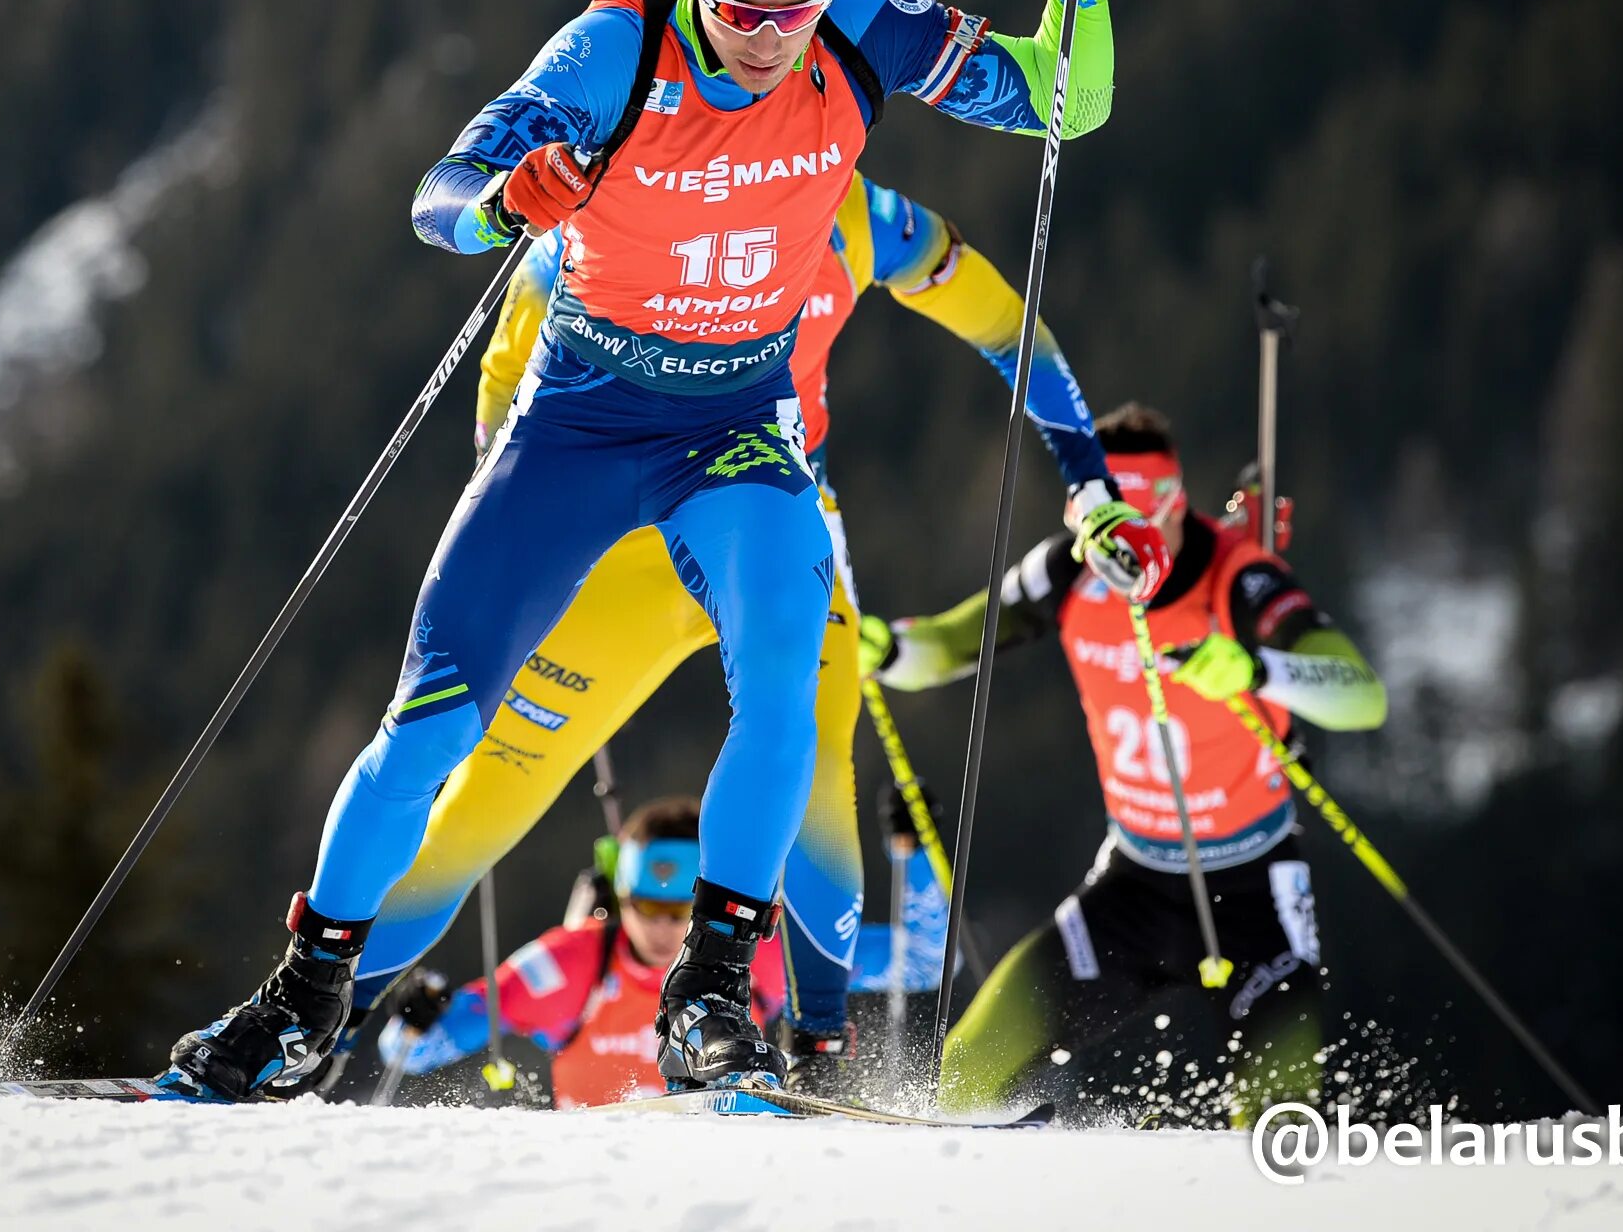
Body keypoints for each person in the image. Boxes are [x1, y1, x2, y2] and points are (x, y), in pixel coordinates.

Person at [164, 0, 1148, 1102]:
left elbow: (1066, 102)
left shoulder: (862, 34)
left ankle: (713, 993)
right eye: (740, 12)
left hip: (735, 426)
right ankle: (301, 998)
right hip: (577, 427)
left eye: (793, 11)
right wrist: (506, 199)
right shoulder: (613, 52)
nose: (769, 40)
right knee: (430, 728)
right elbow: (437, 193)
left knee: (786, 687)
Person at [335, 164, 1116, 1096]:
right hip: (625, 550)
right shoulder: (633, 178)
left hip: (774, 534)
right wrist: (515, 518)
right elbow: (512, 349)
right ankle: (319, 1024)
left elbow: (1007, 329)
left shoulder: (858, 213)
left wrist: (1089, 476)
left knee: (817, 766)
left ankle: (818, 1056)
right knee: (478, 805)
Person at [860, 403, 1387, 1122]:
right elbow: (953, 642)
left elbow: (1362, 696)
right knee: (969, 1070)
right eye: (1108, 529)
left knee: (1278, 1121)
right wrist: (888, 648)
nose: (1127, 553)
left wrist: (1257, 669)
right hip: (1135, 884)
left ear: (1175, 503)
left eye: (1143, 522)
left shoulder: (1238, 577)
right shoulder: (1065, 571)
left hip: (1253, 885)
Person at [375, 798, 787, 1109]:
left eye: (682, 912)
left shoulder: (754, 954)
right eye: (646, 907)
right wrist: (416, 1016)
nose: (662, 928)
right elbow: (409, 1051)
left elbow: (827, 984)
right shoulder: (571, 963)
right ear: (621, 896)